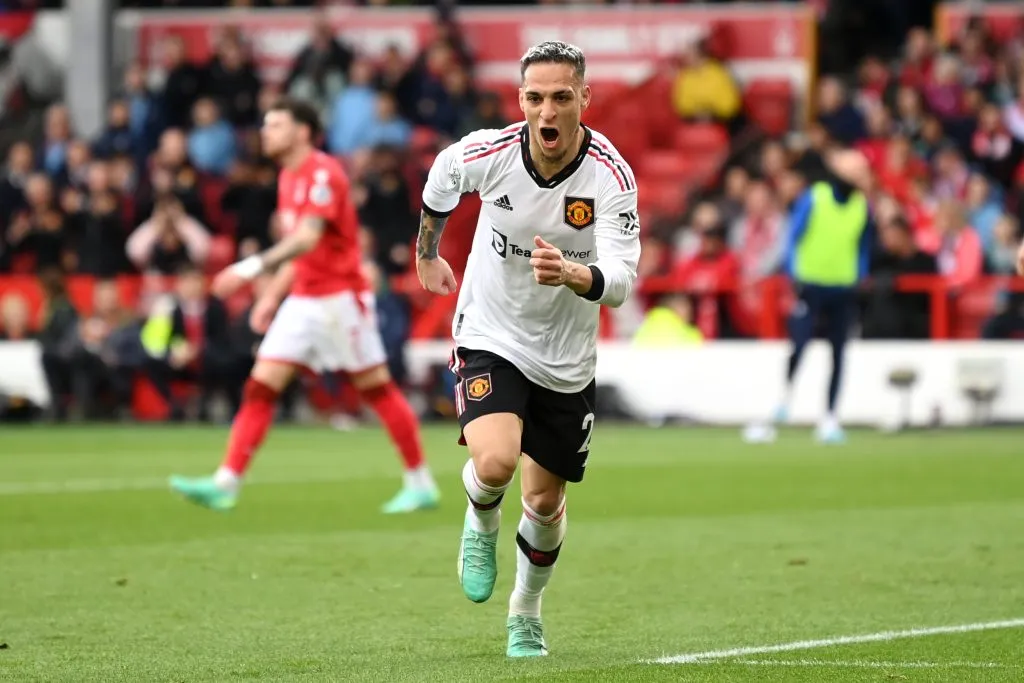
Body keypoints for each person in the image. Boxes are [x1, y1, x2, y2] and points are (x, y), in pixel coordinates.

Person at [415, 41, 640, 658]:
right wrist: (427, 253)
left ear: (583, 100)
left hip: (566, 356)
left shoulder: (611, 176)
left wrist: (572, 273)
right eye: (535, 98)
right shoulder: (490, 152)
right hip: (491, 331)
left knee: (545, 501)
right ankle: (481, 518)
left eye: (561, 98)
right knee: (495, 464)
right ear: (521, 101)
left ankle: (526, 613)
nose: (547, 111)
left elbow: (620, 280)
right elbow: (442, 175)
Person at [169, 97, 438, 514]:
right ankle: (227, 482)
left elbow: (308, 237)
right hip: (303, 300)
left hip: (340, 299)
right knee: (261, 386)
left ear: (302, 131)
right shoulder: (286, 177)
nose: (266, 132)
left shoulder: (323, 173)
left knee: (376, 389)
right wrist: (273, 297)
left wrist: (250, 267)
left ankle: (420, 482)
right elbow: (300, 254)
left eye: (275, 124)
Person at [771, 147, 874, 443]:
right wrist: (793, 275)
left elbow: (863, 246)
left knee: (839, 353)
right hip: (810, 286)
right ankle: (785, 398)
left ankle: (829, 415)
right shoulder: (815, 197)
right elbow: (793, 236)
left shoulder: (861, 206)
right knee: (800, 344)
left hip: (842, 288)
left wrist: (860, 275)